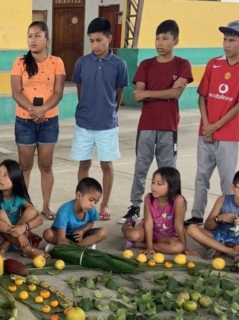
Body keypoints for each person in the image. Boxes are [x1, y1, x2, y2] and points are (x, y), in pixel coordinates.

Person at [120, 20, 193, 224]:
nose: (160, 43)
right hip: (146, 126)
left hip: (169, 127)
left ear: (175, 41)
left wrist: (149, 93)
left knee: (168, 171)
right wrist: (166, 91)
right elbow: (137, 95)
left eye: (165, 39)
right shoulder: (146, 64)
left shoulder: (182, 64)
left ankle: (167, 209)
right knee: (141, 168)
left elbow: (176, 95)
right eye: (157, 38)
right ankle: (135, 207)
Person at [184, 20, 239, 226]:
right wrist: (207, 125)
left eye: (232, 40)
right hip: (205, 132)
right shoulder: (213, 63)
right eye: (225, 39)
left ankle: (227, 218)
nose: (226, 44)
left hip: (227, 135)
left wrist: (216, 126)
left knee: (228, 181)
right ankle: (197, 215)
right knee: (201, 177)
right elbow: (202, 97)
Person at [71, 17, 128, 222]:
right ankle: (82, 201)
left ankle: (104, 203)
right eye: (91, 41)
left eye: (98, 40)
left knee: (107, 165)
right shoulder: (81, 63)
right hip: (84, 124)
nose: (94, 45)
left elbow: (118, 94)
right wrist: (87, 109)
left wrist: (110, 111)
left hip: (107, 125)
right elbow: (80, 90)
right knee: (84, 164)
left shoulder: (119, 65)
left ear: (109, 38)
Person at [11, 21, 65, 221]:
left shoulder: (57, 62)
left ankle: (46, 205)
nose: (32, 40)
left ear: (47, 39)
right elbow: (16, 92)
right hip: (25, 121)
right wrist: (33, 111)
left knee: (46, 165)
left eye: (37, 35)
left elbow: (58, 92)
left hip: (49, 121)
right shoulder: (20, 62)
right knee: (24, 166)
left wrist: (43, 110)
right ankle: (25, 206)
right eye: (30, 36)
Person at [186, 168, 239, 261]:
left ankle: (220, 249)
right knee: (191, 229)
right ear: (233, 188)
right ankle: (231, 252)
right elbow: (207, 227)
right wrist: (219, 218)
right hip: (218, 237)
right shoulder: (223, 200)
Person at [122, 167, 197, 256]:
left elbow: (179, 225)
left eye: (159, 184)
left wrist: (185, 248)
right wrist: (149, 247)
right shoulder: (148, 198)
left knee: (178, 247)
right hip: (147, 230)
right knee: (132, 235)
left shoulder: (178, 201)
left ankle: (138, 244)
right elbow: (148, 223)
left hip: (166, 235)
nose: (153, 186)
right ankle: (128, 225)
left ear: (171, 187)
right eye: (153, 182)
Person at [0, 160, 45, 259]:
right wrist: (18, 235)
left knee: (32, 211)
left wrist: (23, 228)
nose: (0, 177)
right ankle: (27, 249)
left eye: (5, 175)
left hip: (17, 239)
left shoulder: (18, 197)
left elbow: (39, 219)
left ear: (15, 180)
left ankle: (5, 247)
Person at [43, 178, 108, 249]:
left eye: (96, 202)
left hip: (80, 237)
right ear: (79, 195)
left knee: (103, 232)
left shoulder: (91, 209)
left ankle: (76, 247)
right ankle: (81, 247)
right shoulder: (64, 211)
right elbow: (61, 240)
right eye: (91, 200)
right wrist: (62, 242)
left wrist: (83, 231)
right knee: (48, 234)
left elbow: (90, 222)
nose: (93, 204)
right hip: (63, 236)